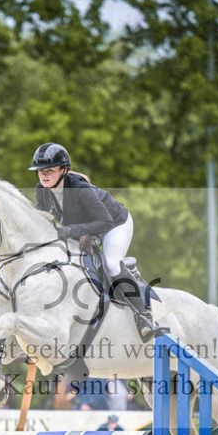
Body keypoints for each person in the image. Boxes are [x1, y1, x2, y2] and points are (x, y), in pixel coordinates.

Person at [29, 142, 163, 342]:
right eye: (40, 171)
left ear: (64, 170)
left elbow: (105, 221)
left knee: (111, 263)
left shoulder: (80, 188)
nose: (43, 175)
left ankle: (143, 315)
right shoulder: (42, 190)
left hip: (115, 224)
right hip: (86, 228)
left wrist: (74, 231)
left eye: (49, 170)